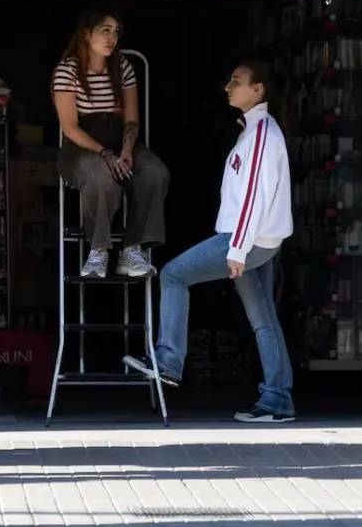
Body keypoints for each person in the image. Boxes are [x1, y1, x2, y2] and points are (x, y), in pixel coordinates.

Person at [124, 58, 296, 423]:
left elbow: (255, 196)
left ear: (258, 89)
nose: (228, 87)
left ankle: (169, 360)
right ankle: (278, 399)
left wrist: (237, 248)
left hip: (246, 240)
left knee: (173, 275)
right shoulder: (252, 131)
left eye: (236, 81)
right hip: (253, 241)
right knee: (263, 319)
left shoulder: (262, 132)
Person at [51, 10, 170, 278]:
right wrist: (105, 153)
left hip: (120, 139)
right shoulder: (67, 70)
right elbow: (70, 127)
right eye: (105, 30)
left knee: (154, 172)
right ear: (86, 34)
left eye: (116, 31)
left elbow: (131, 121)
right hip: (82, 145)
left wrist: (126, 150)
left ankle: (133, 248)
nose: (112, 37)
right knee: (100, 175)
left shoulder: (123, 66)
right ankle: (98, 250)